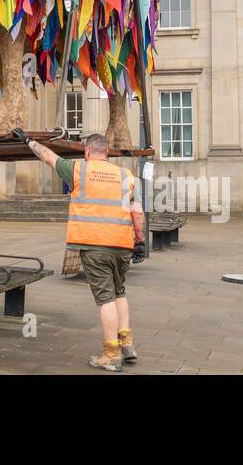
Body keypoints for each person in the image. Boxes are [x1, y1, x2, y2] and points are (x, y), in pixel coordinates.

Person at [26, 131, 144, 372]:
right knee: (120, 291)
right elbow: (137, 212)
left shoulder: (78, 169)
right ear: (107, 152)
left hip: (94, 245)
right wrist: (139, 240)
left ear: (87, 152)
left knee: (105, 299)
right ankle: (127, 342)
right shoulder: (127, 176)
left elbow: (48, 157)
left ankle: (111, 354)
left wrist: (28, 141)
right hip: (122, 245)